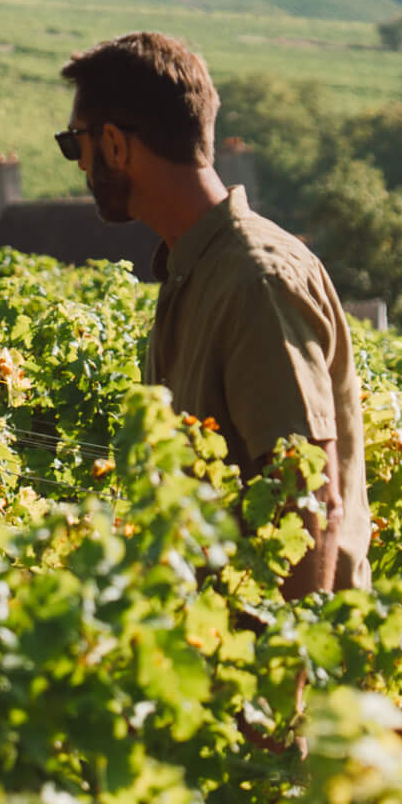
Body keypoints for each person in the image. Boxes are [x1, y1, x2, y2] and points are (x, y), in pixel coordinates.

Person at [58, 32, 369, 595]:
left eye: (74, 143)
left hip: (267, 665)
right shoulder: (193, 270)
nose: (78, 164)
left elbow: (308, 498)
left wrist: (283, 677)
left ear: (113, 144)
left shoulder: (256, 281)